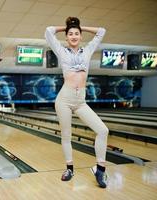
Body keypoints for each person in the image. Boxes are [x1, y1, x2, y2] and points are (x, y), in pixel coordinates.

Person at [45, 17, 109, 188]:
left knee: (103, 130)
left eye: (76, 33)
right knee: (67, 136)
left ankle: (100, 170)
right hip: (64, 100)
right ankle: (69, 168)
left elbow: (102, 31)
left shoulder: (88, 51)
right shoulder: (61, 51)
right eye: (70, 34)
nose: (73, 36)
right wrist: (66, 27)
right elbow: (49, 30)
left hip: (80, 101)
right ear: (66, 37)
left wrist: (81, 27)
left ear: (81, 36)